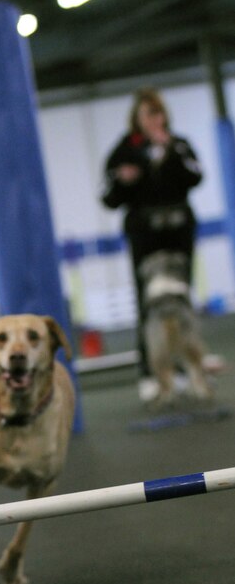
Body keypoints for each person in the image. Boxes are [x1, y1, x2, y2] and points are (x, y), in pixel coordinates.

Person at [101, 87, 203, 401]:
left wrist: (169, 150)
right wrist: (124, 180)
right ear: (137, 119)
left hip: (178, 232)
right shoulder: (124, 150)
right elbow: (108, 196)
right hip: (145, 235)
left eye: (158, 113)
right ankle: (151, 372)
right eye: (148, 114)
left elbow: (196, 176)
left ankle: (186, 367)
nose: (155, 120)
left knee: (181, 300)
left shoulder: (179, 144)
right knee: (149, 302)